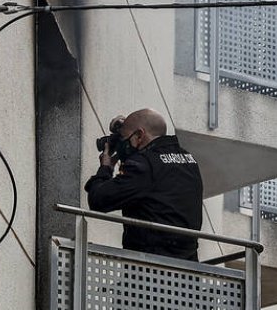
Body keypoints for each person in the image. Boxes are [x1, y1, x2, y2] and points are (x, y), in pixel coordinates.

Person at [83, 108, 204, 261]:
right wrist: (126, 128)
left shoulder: (144, 165)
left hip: (150, 269)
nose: (124, 144)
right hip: (187, 270)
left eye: (126, 139)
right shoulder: (188, 160)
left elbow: (98, 200)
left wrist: (106, 168)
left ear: (140, 135)